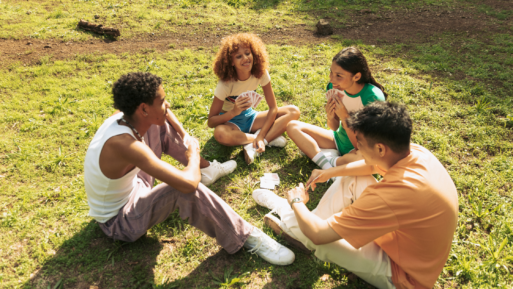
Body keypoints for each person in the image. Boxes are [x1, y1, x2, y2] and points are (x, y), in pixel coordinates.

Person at [84, 72, 295, 265]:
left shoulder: (126, 116)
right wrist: (192, 154)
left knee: (161, 126)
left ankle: (208, 170)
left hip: (135, 186)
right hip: (121, 220)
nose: (167, 105)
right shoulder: (124, 145)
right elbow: (187, 184)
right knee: (184, 189)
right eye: (162, 101)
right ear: (144, 108)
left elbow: (166, 115)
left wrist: (184, 135)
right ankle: (247, 237)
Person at [253, 102, 458, 288]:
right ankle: (299, 225)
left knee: (316, 237)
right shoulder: (415, 153)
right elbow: (370, 165)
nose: (356, 147)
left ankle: (285, 213)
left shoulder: (391, 196)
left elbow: (318, 234)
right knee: (350, 177)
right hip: (406, 246)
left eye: (359, 142)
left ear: (379, 148)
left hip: (401, 277)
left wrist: (296, 201)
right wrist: (329, 172)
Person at [287, 47, 386, 170]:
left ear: (356, 77)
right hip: (337, 140)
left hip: (361, 149)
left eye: (339, 75)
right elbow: (333, 127)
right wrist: (330, 116)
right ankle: (328, 165)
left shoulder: (373, 97)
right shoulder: (333, 88)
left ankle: (327, 159)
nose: (332, 79)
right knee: (292, 126)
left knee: (368, 161)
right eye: (331, 73)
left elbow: (360, 145)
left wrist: (345, 117)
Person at [208, 33, 300, 164]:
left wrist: (261, 136)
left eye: (247, 53)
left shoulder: (260, 73)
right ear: (231, 62)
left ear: (254, 54)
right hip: (230, 122)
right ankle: (266, 139)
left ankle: (262, 140)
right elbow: (211, 122)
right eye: (238, 56)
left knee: (293, 111)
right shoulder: (225, 84)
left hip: (251, 117)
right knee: (220, 134)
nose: (245, 58)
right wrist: (233, 112)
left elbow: (273, 108)